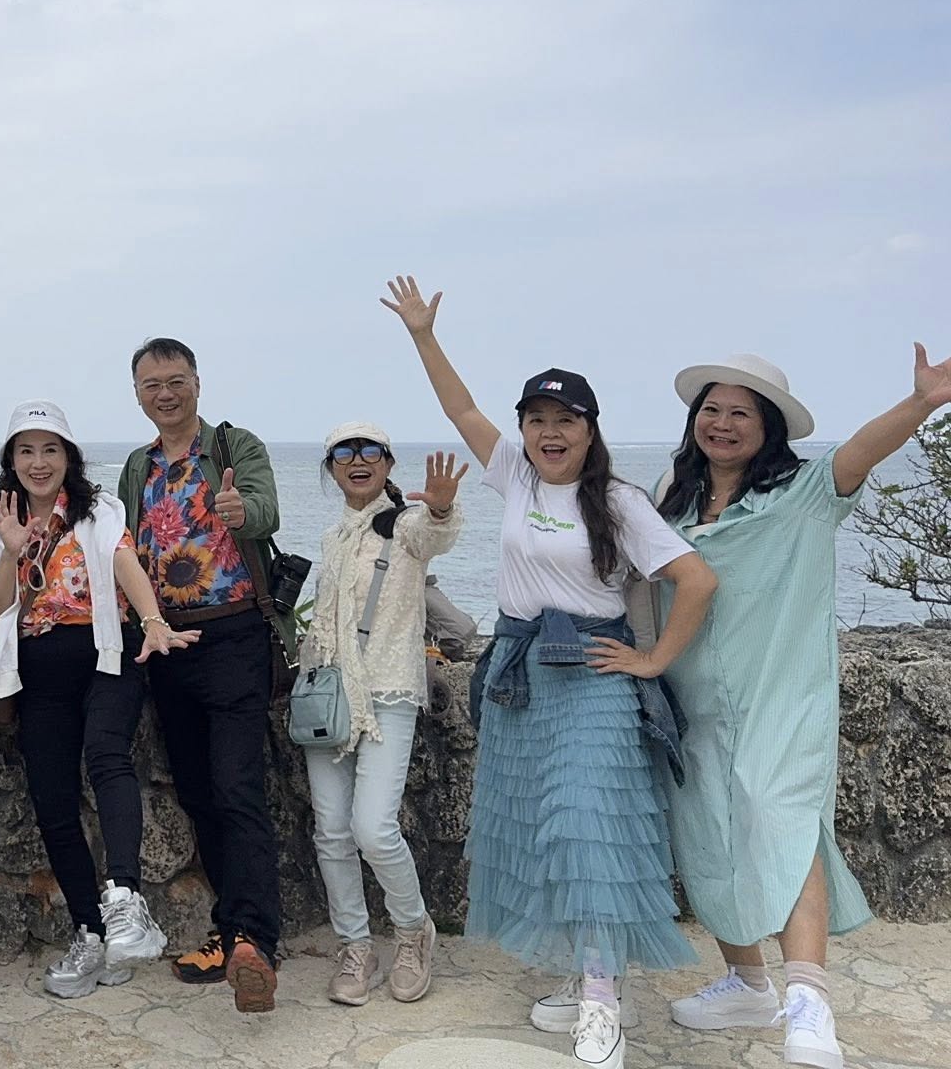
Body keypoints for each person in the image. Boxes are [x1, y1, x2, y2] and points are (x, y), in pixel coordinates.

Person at [383, 276, 718, 1069]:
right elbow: (462, 410)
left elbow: (697, 580)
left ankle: (602, 1001)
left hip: (596, 679)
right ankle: (589, 970)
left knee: (586, 826)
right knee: (545, 833)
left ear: (590, 430)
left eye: (565, 419)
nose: (549, 432)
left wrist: (652, 660)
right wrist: (423, 334)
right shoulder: (517, 475)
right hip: (521, 677)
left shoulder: (621, 502)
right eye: (536, 419)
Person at [651, 348, 950, 1069]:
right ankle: (747, 983)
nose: (722, 423)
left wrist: (922, 403)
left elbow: (861, 451)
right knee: (710, 836)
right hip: (695, 702)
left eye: (740, 413)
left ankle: (809, 1004)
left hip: (781, 696)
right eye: (711, 410)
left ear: (769, 427)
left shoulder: (806, 492)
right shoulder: (673, 501)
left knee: (782, 824)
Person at [0, 400, 199, 1000]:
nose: (39, 462)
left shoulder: (98, 510)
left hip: (106, 655)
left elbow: (123, 560)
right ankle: (89, 933)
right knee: (51, 799)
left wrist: (153, 619)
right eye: (26, 451)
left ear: (69, 457)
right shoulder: (1, 518)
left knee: (107, 756)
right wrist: (11, 548)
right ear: (11, 461)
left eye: (50, 449)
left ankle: (124, 899)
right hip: (39, 670)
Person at [116, 337, 288, 1012]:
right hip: (166, 642)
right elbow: (124, 547)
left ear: (197, 382)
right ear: (137, 394)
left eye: (176, 380)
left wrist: (243, 512)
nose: (166, 393)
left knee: (238, 787)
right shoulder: (138, 465)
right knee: (197, 791)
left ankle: (255, 942)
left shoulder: (233, 446)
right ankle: (232, 932)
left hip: (233, 635)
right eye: (152, 384)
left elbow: (267, 511)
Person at [301, 424, 465, 1007]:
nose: (358, 460)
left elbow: (436, 533)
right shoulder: (332, 536)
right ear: (331, 467)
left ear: (389, 463)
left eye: (370, 451)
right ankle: (355, 945)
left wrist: (440, 508)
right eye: (344, 452)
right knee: (332, 831)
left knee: (373, 827)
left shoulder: (406, 526)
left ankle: (413, 931)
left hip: (388, 693)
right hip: (329, 699)